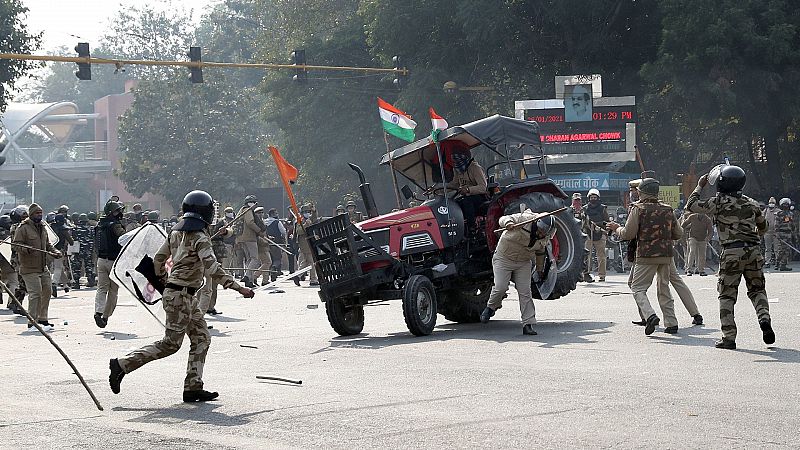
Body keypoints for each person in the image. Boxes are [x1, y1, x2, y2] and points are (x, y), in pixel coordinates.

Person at [109, 190, 255, 402]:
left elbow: (159, 259)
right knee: (170, 344)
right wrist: (238, 288)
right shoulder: (201, 237)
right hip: (180, 296)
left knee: (201, 338)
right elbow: (212, 268)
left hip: (182, 294)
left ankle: (193, 387)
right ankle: (122, 364)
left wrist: (163, 281)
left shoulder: (176, 233)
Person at [686, 165, 774, 349]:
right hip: (753, 251)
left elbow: (691, 205)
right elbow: (763, 227)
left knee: (726, 295)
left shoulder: (718, 202)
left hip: (731, 252)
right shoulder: (752, 203)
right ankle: (764, 319)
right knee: (757, 290)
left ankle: (729, 337)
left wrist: (699, 186)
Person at [607, 178, 681, 336]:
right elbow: (678, 234)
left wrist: (616, 228)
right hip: (666, 255)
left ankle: (650, 315)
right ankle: (671, 322)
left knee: (637, 288)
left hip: (646, 255)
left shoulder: (638, 209)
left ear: (642, 192)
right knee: (664, 289)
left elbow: (628, 234)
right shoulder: (668, 209)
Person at [480, 209, 554, 335]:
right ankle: (491, 307)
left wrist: (540, 270)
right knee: (500, 287)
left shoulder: (545, 236)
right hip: (504, 258)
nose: (542, 233)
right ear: (538, 223)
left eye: (546, 231)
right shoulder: (524, 219)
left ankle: (528, 323)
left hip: (523, 263)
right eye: (542, 229)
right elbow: (503, 219)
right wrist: (508, 223)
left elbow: (540, 253)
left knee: (525, 292)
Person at [13, 203, 63, 331]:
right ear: (31, 214)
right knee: (35, 294)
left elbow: (48, 245)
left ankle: (43, 319)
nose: (39, 215)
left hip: (42, 266)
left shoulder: (43, 227)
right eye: (37, 213)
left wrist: (55, 252)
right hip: (29, 268)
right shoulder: (23, 228)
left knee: (47, 291)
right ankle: (32, 322)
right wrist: (27, 249)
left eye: (41, 213)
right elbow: (16, 245)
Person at [94, 201, 126, 328]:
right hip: (114, 262)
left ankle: (98, 312)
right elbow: (124, 238)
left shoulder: (99, 224)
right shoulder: (115, 225)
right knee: (113, 291)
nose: (120, 213)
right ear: (111, 212)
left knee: (102, 288)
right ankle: (105, 317)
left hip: (101, 260)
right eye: (117, 211)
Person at [446, 148, 488, 234]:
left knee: (467, 201)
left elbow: (483, 187)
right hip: (465, 197)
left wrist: (468, 189)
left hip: (480, 197)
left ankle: (472, 227)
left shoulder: (475, 168)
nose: (455, 162)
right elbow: (455, 184)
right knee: (453, 204)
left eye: (457, 159)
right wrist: (439, 190)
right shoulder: (457, 169)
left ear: (464, 158)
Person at [235, 195, 264, 288]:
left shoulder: (241, 210)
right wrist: (259, 231)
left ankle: (250, 281)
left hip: (241, 238)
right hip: (249, 237)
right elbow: (250, 222)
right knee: (255, 259)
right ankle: (247, 276)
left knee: (249, 260)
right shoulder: (248, 210)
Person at [582, 188, 608, 281]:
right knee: (586, 255)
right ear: (589, 198)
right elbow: (583, 221)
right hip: (588, 234)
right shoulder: (585, 208)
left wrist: (600, 226)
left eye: (595, 197)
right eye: (591, 197)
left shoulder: (602, 208)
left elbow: (607, 221)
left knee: (601, 256)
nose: (593, 199)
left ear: (598, 198)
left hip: (600, 233)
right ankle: (586, 273)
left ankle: (602, 275)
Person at [295, 203, 319, 286]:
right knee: (310, 262)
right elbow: (298, 231)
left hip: (310, 243)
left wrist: (314, 210)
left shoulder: (309, 218)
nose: (307, 213)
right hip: (304, 244)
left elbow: (315, 218)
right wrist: (306, 225)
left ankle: (298, 275)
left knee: (306, 262)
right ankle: (313, 279)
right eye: (305, 212)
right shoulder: (300, 220)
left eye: (308, 212)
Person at [71, 213, 96, 289]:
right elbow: (93, 238)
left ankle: (76, 283)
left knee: (77, 267)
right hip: (88, 249)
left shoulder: (75, 228)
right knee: (88, 265)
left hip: (78, 250)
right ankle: (90, 280)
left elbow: (73, 238)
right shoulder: (91, 228)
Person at [265, 208, 287, 282]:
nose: (277, 215)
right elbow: (283, 232)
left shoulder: (264, 222)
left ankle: (269, 275)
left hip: (266, 244)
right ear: (272, 214)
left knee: (269, 260)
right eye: (276, 213)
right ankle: (274, 269)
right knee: (277, 259)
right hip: (276, 243)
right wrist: (284, 241)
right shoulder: (277, 222)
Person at [774, 198, 793, 271]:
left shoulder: (790, 214)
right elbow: (776, 225)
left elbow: (791, 224)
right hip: (781, 233)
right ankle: (777, 263)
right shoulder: (779, 214)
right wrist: (777, 234)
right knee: (781, 250)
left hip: (788, 233)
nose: (786, 205)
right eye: (784, 204)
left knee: (787, 250)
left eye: (787, 204)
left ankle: (783, 265)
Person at [762, 197, 778, 266]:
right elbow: (761, 220)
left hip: (776, 233)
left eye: (773, 203)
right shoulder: (765, 211)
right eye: (770, 203)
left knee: (776, 248)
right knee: (767, 248)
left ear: (775, 204)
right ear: (768, 204)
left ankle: (778, 261)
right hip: (767, 232)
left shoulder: (778, 211)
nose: (771, 204)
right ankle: (767, 261)